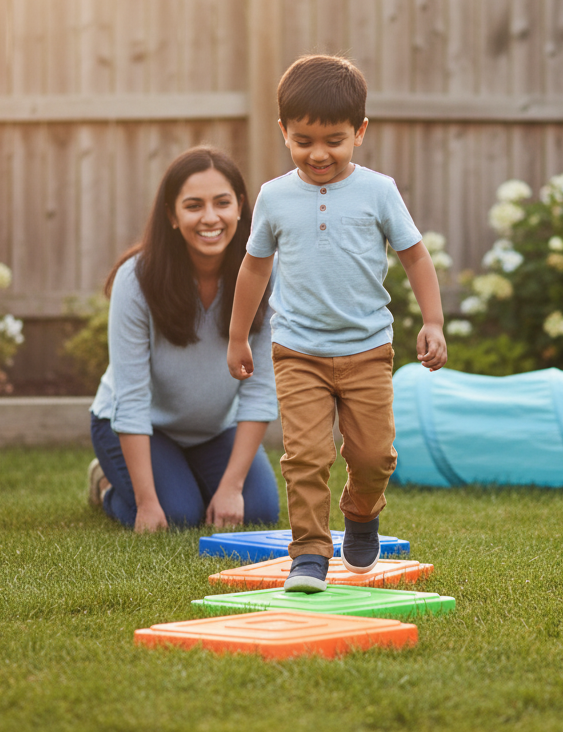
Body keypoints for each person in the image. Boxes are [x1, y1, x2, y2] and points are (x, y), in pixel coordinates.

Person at [227, 55, 446, 592]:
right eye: (303, 141)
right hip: (297, 350)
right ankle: (309, 553)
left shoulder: (378, 190)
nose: (318, 154)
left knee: (374, 455)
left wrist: (434, 322)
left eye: (333, 140)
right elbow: (254, 266)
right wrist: (237, 335)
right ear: (283, 132)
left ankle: (362, 512)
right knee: (306, 455)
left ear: (360, 132)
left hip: (367, 349)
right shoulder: (275, 197)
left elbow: (416, 256)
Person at [87, 146, 279, 532]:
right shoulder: (136, 279)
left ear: (240, 207)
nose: (211, 217)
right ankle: (106, 484)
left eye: (222, 203)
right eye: (193, 205)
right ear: (172, 215)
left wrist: (231, 487)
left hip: (212, 429)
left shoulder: (266, 276)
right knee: (176, 516)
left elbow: (260, 390)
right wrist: (145, 501)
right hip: (136, 424)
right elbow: (133, 397)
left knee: (257, 510)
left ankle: (187, 475)